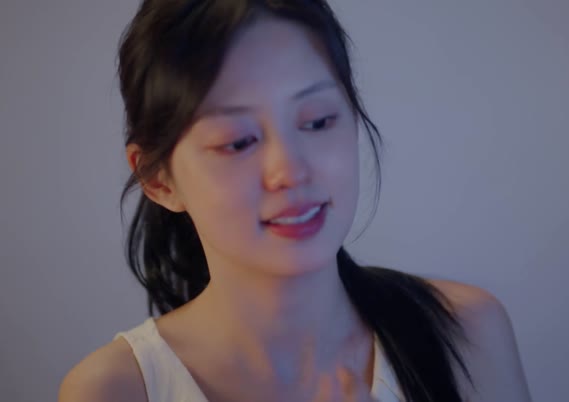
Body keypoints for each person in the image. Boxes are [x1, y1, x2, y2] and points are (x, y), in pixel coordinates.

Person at [58, 1, 532, 401]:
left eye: (318, 121)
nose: (290, 171)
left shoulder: (466, 332)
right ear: (158, 178)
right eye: (238, 142)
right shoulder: (116, 389)